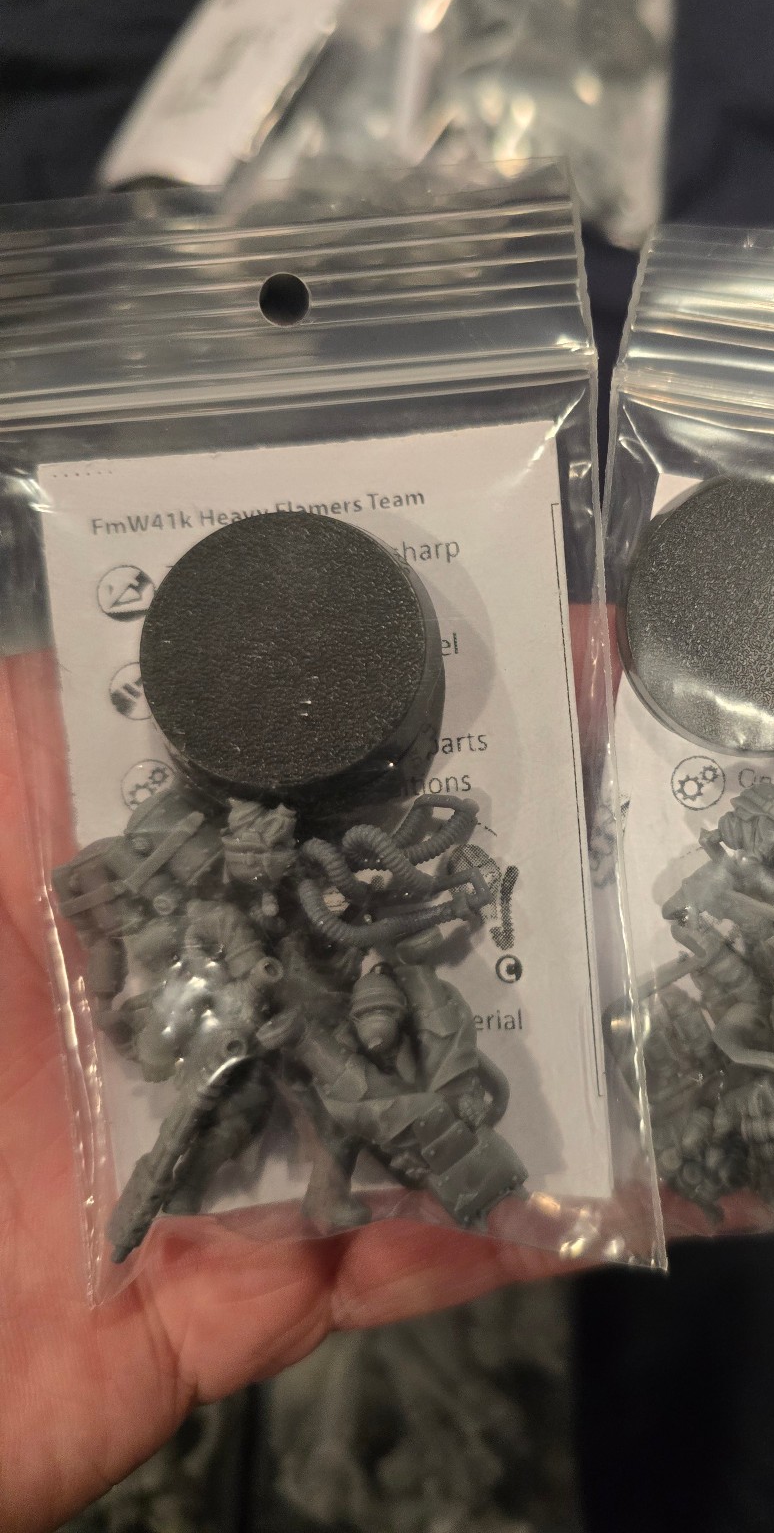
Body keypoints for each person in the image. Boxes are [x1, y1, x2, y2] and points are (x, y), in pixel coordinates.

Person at [0, 652, 561, 1533]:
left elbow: (364, 933)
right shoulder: (203, 902)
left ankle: (375, 1176)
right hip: (245, 1033)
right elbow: (167, 951)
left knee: (347, 1106)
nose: (257, 861)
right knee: (233, 1122)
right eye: (244, 850)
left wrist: (372, 967)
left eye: (266, 849)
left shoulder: (310, 881)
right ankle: (217, 1187)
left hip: (314, 1019)